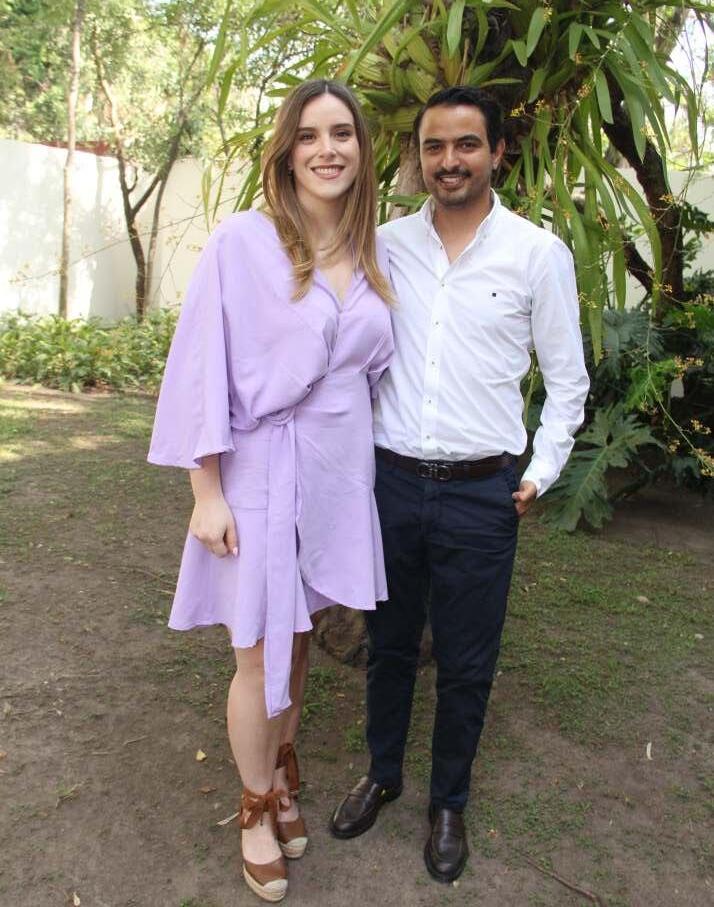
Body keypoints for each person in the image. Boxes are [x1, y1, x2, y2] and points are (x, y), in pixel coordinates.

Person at [330, 86, 590, 883]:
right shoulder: (382, 245)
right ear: (419, 156)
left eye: (467, 144)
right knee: (388, 646)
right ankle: (382, 773)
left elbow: (568, 381)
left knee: (469, 659)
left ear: (498, 152)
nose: (450, 161)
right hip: (390, 483)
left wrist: (540, 472)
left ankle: (448, 803)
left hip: (484, 493)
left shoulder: (537, 255)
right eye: (435, 146)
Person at [148, 79, 393, 903]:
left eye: (343, 133)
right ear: (287, 152)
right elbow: (199, 368)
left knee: (299, 637)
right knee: (257, 648)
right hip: (259, 469)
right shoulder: (242, 242)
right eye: (310, 135)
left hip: (335, 479)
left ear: (361, 150)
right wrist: (205, 489)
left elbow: (376, 375)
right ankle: (255, 804)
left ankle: (282, 771)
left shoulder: (370, 253)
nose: (328, 149)